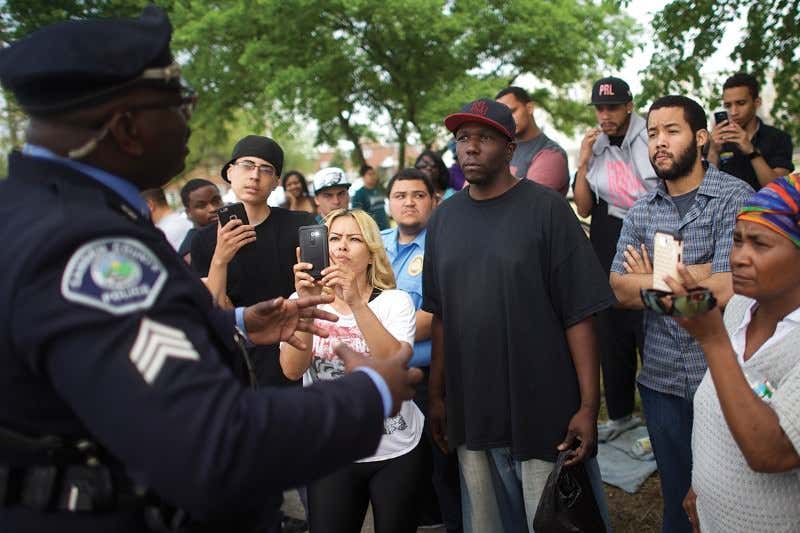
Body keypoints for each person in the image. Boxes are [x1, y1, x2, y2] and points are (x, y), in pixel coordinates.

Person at [0, 7, 422, 532]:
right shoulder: (84, 244)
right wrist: (372, 393)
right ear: (128, 128)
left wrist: (237, 323)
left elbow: (111, 342)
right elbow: (214, 441)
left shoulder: (47, 210)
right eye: (180, 105)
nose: (190, 119)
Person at [423, 98, 614, 532]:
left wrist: (588, 405)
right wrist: (437, 395)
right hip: (472, 405)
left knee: (552, 518)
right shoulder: (445, 219)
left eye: (484, 138)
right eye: (462, 138)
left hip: (542, 404)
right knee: (486, 522)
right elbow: (440, 315)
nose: (470, 147)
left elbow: (579, 314)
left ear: (510, 149)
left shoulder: (547, 210)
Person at [609, 95, 753, 533]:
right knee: (677, 500)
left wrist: (655, 278)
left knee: (728, 500)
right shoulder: (640, 210)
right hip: (662, 381)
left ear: (701, 137)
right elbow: (619, 289)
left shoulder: (734, 196)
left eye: (672, 131)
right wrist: (698, 274)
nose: (659, 143)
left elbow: (733, 286)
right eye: (652, 134)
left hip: (725, 377)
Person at [663, 175, 800, 532]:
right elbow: (721, 409)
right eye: (737, 240)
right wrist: (702, 487)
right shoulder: (741, 307)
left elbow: (771, 452)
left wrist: (713, 340)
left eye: (760, 244)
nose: (739, 257)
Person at [280, 208, 424, 533]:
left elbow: (394, 362)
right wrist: (305, 306)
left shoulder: (395, 302)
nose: (341, 246)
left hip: (395, 448)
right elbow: (291, 370)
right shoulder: (300, 301)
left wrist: (356, 303)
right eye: (334, 238)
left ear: (371, 254)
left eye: (353, 239)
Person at [191, 135, 316, 388]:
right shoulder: (204, 240)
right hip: (238, 361)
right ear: (230, 172)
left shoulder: (299, 225)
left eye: (265, 169)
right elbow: (211, 310)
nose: (255, 176)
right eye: (247, 166)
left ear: (276, 182)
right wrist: (220, 258)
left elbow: (318, 287)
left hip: (294, 348)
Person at [573, 76, 658, 441]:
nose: (604, 115)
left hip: (651, 236)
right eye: (599, 108)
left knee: (651, 327)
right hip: (608, 239)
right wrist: (582, 162)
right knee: (611, 331)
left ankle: (658, 418)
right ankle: (621, 413)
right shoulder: (599, 144)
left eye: (611, 107)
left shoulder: (650, 134)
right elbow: (585, 205)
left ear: (629, 106)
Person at [381, 169, 462, 532]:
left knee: (441, 469)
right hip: (384, 378)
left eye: (418, 195)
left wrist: (377, 327)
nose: (409, 202)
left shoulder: (445, 245)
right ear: (389, 204)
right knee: (399, 474)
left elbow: (436, 315)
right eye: (400, 195)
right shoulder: (374, 246)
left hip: (433, 378)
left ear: (434, 201)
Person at [707, 73, 794, 190]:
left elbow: (778, 190)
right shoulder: (718, 140)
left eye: (741, 103)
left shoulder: (779, 138)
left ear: (757, 102)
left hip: (765, 207)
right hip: (728, 208)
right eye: (728, 105)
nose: (733, 112)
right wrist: (713, 151)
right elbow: (707, 189)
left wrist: (751, 151)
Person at [495, 86, 570, 195]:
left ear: (529, 108)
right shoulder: (498, 148)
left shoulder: (551, 154)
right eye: (502, 116)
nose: (507, 119)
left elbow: (529, 203)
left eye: (512, 111)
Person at [176, 178, 223, 263]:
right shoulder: (190, 251)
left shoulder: (233, 229)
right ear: (188, 212)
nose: (212, 209)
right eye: (201, 206)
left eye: (216, 201)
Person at [351, 164, 389, 229]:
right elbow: (357, 215)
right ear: (363, 177)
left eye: (374, 174)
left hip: (385, 229)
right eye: (370, 174)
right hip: (371, 231)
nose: (373, 176)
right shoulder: (359, 194)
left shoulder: (378, 190)